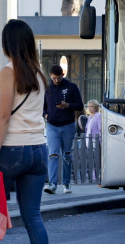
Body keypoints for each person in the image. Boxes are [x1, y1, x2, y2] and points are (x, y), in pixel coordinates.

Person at [0, 19, 49, 244]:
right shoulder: (39, 73)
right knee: (33, 216)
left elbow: (3, 117)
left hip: (12, 150)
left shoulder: (8, 72)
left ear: (7, 45)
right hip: (39, 150)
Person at [43, 64, 83, 194]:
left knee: (67, 155)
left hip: (68, 125)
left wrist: (68, 105)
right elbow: (42, 106)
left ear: (63, 75)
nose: (56, 80)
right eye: (54, 78)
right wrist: (45, 114)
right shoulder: (47, 88)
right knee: (53, 154)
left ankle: (66, 184)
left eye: (59, 78)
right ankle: (52, 184)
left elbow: (80, 105)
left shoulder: (71, 87)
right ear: (50, 76)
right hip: (52, 126)